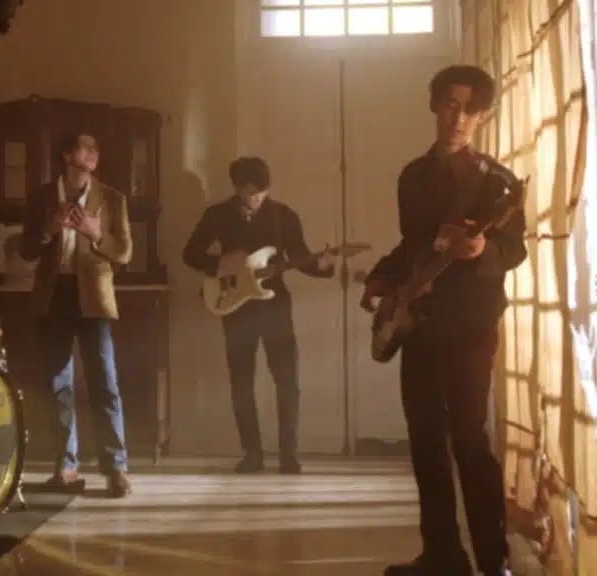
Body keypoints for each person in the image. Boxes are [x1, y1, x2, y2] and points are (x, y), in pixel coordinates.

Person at [360, 65, 525, 576]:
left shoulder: (498, 183)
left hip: (471, 327)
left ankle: (493, 562)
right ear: (435, 105)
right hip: (420, 325)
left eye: (471, 110)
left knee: (470, 442)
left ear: (483, 117)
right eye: (451, 105)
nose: (459, 118)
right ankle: (442, 556)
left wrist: (481, 251)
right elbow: (413, 247)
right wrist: (382, 278)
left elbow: (514, 249)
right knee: (426, 442)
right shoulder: (412, 176)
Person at [183, 156, 335, 475]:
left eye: (261, 192)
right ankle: (251, 452)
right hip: (235, 305)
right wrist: (221, 263)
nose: (255, 198)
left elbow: (299, 257)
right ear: (237, 187)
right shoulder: (217, 215)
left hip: (275, 306)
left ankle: (289, 453)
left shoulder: (283, 216)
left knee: (287, 380)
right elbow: (190, 253)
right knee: (241, 381)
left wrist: (323, 266)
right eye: (249, 192)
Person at [20, 132, 133, 498]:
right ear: (67, 155)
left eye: (96, 149)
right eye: (86, 148)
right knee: (58, 383)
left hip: (94, 300)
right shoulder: (41, 197)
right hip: (54, 297)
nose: (94, 154)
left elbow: (124, 252)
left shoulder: (113, 198)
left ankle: (115, 468)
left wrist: (96, 234)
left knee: (104, 381)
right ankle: (66, 465)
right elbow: (26, 250)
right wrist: (48, 229)